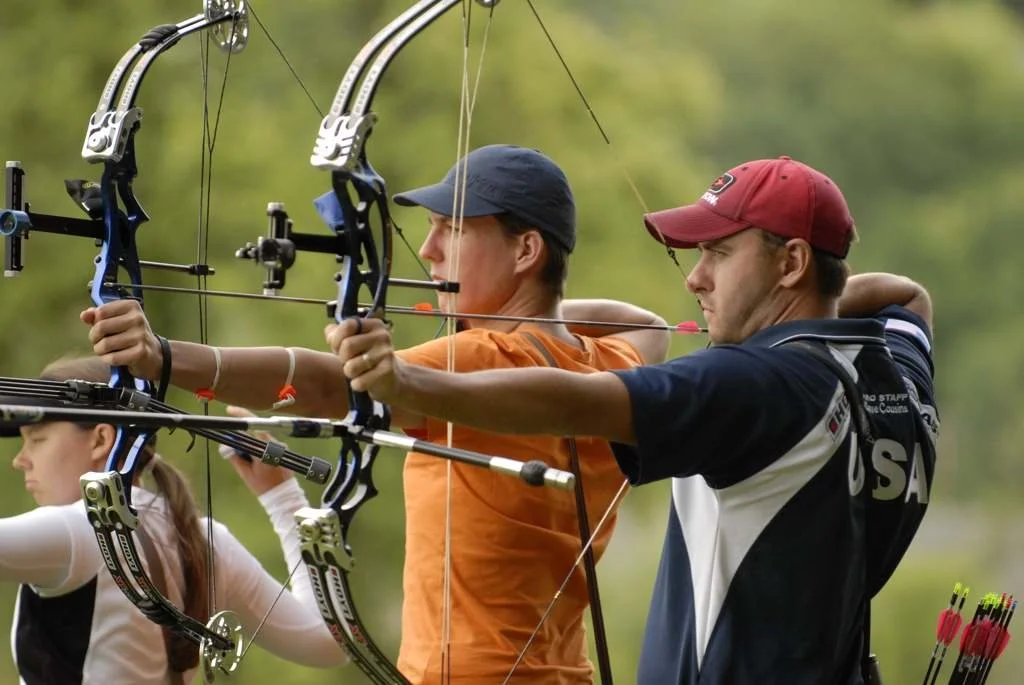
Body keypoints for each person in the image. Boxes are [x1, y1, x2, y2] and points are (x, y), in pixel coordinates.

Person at [323, 155, 939, 684]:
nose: (696, 278)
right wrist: (817, 311)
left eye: (719, 254)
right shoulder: (894, 381)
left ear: (791, 262)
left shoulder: (755, 383)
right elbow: (908, 296)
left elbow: (578, 401)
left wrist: (407, 382)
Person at [81, 144, 672, 683]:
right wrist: (543, 315)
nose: (430, 250)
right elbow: (646, 323)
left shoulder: (478, 360)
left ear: (526, 249)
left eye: (453, 230)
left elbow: (321, 383)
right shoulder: (610, 368)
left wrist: (163, 357)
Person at [0, 355, 347, 684]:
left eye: (38, 440)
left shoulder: (73, 530)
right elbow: (332, 642)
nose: (21, 460)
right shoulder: (205, 538)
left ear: (101, 439)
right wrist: (283, 497)